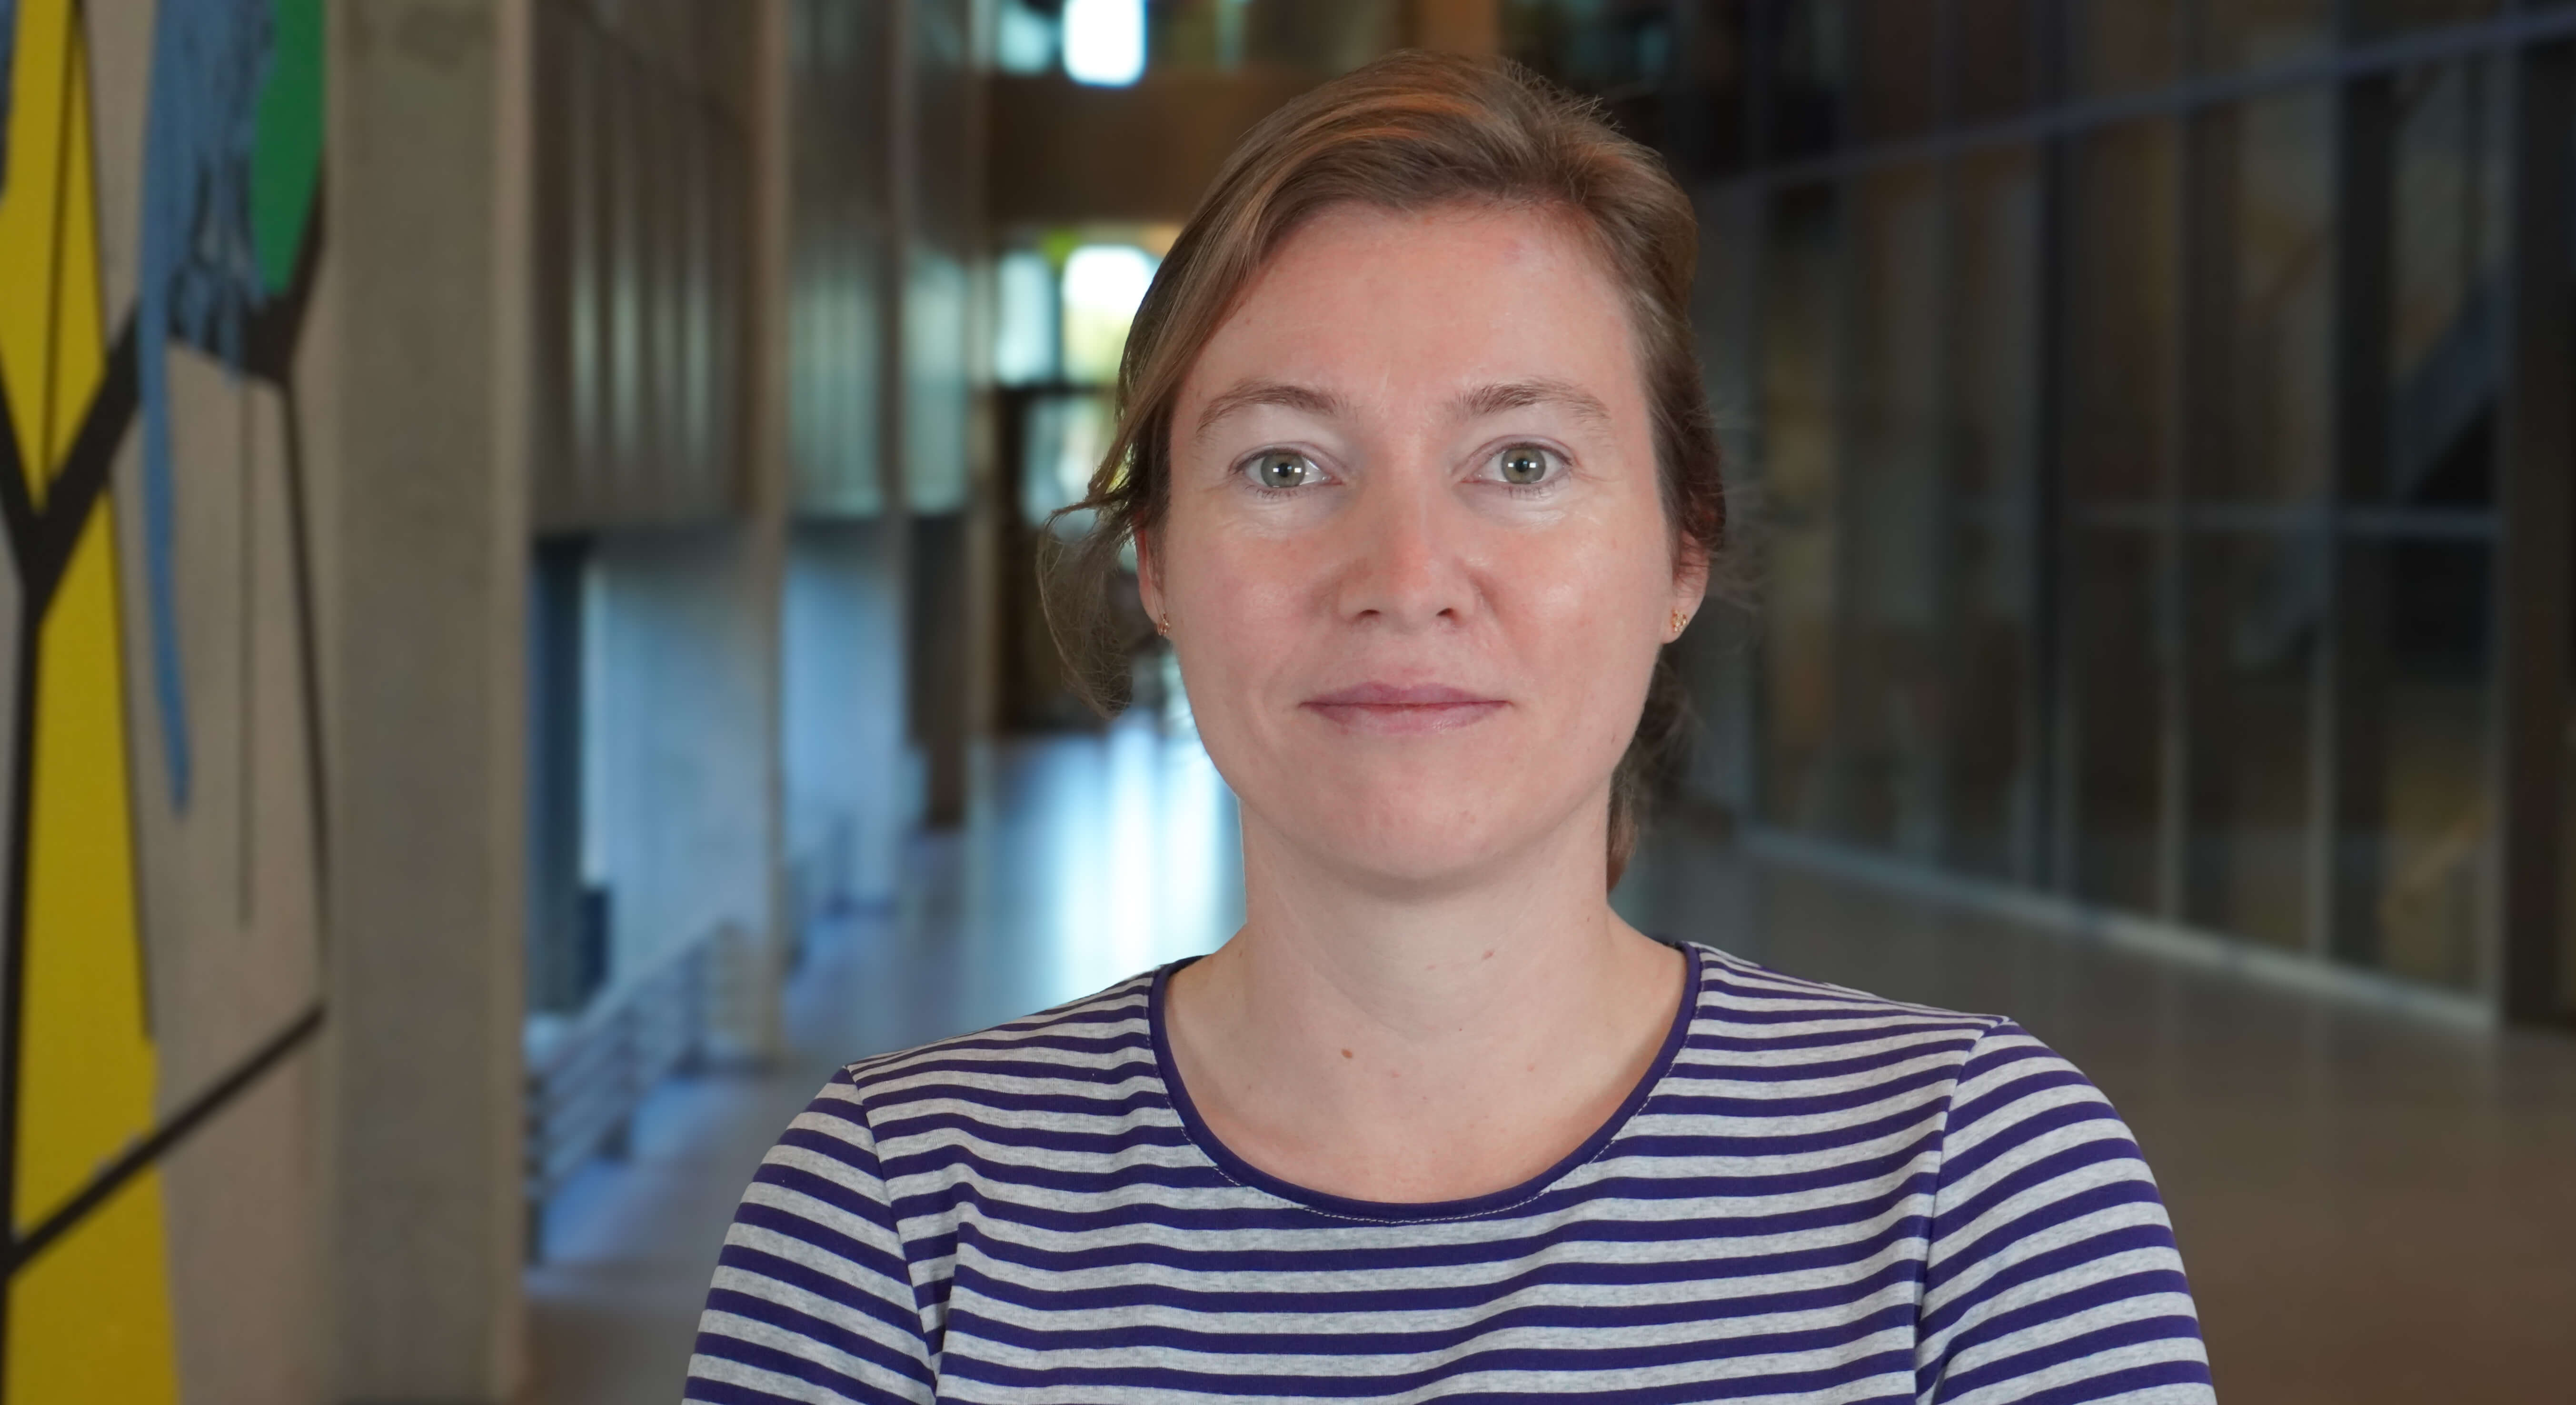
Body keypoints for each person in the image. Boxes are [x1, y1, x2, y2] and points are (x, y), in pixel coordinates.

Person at [685, 51, 2214, 1405]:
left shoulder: (1973, 1192)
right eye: (1285, 466)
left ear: (1680, 552)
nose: (1406, 578)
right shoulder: (895, 1217)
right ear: (1155, 560)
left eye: (1522, 462)